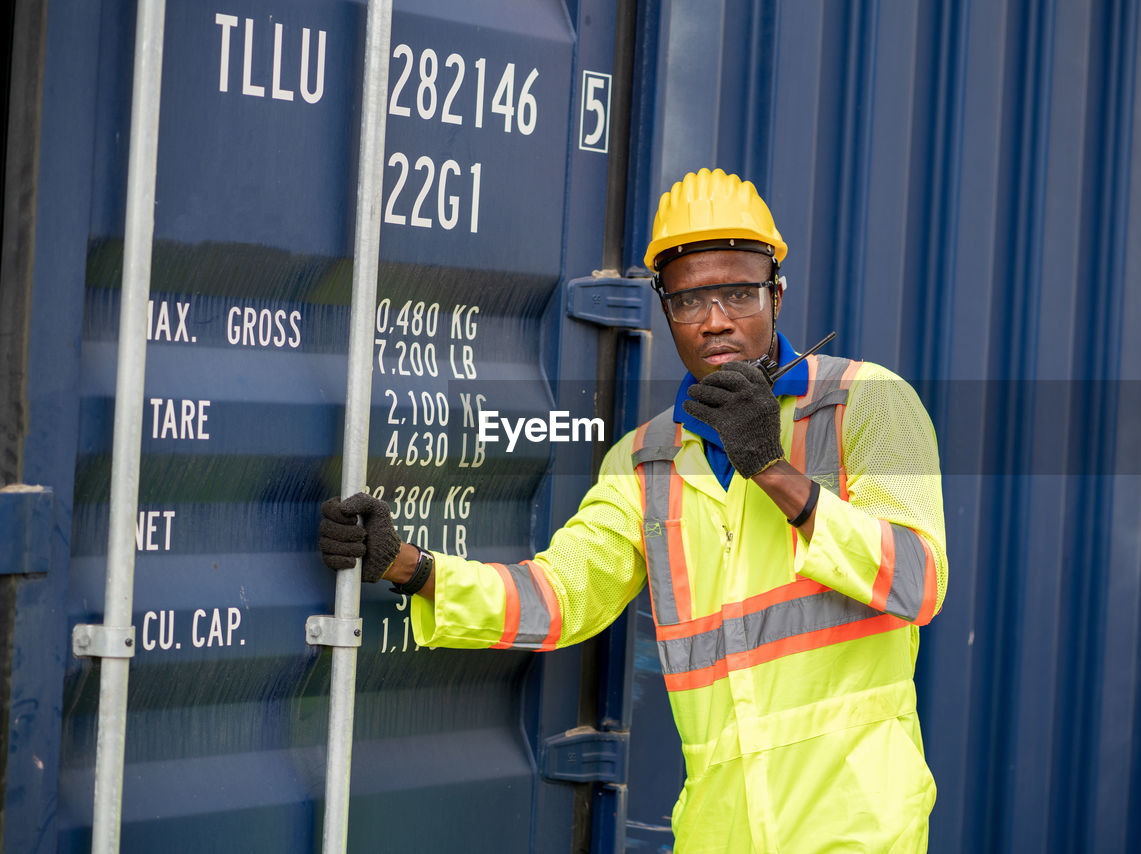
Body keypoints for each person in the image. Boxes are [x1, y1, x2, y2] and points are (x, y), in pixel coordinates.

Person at [319, 167, 948, 852]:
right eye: (689, 301)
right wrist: (408, 566)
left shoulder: (868, 403)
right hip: (720, 836)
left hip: (856, 832)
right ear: (663, 307)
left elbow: (918, 582)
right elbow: (558, 598)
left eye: (738, 293)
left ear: (777, 292)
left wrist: (770, 468)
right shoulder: (644, 461)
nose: (715, 321)